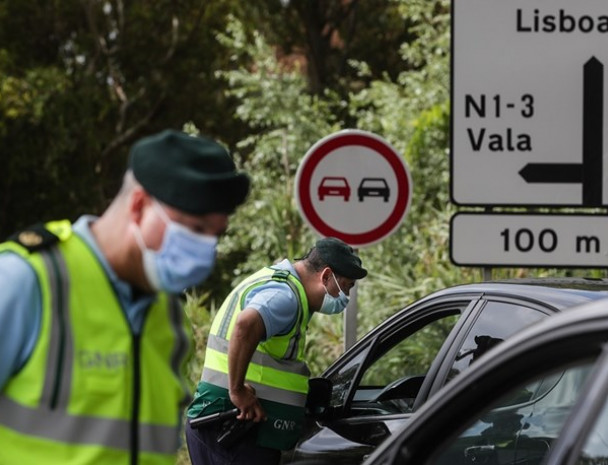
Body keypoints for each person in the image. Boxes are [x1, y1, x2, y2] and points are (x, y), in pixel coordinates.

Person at [0, 129, 250, 464]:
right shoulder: (26, 280)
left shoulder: (168, 316)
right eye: (195, 229)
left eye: (216, 235)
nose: (207, 249)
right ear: (138, 205)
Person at [185, 237, 368, 465]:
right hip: (232, 427)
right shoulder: (285, 296)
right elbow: (245, 326)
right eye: (347, 287)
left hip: (229, 425)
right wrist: (237, 390)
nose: (346, 298)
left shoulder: (281, 284)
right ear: (326, 276)